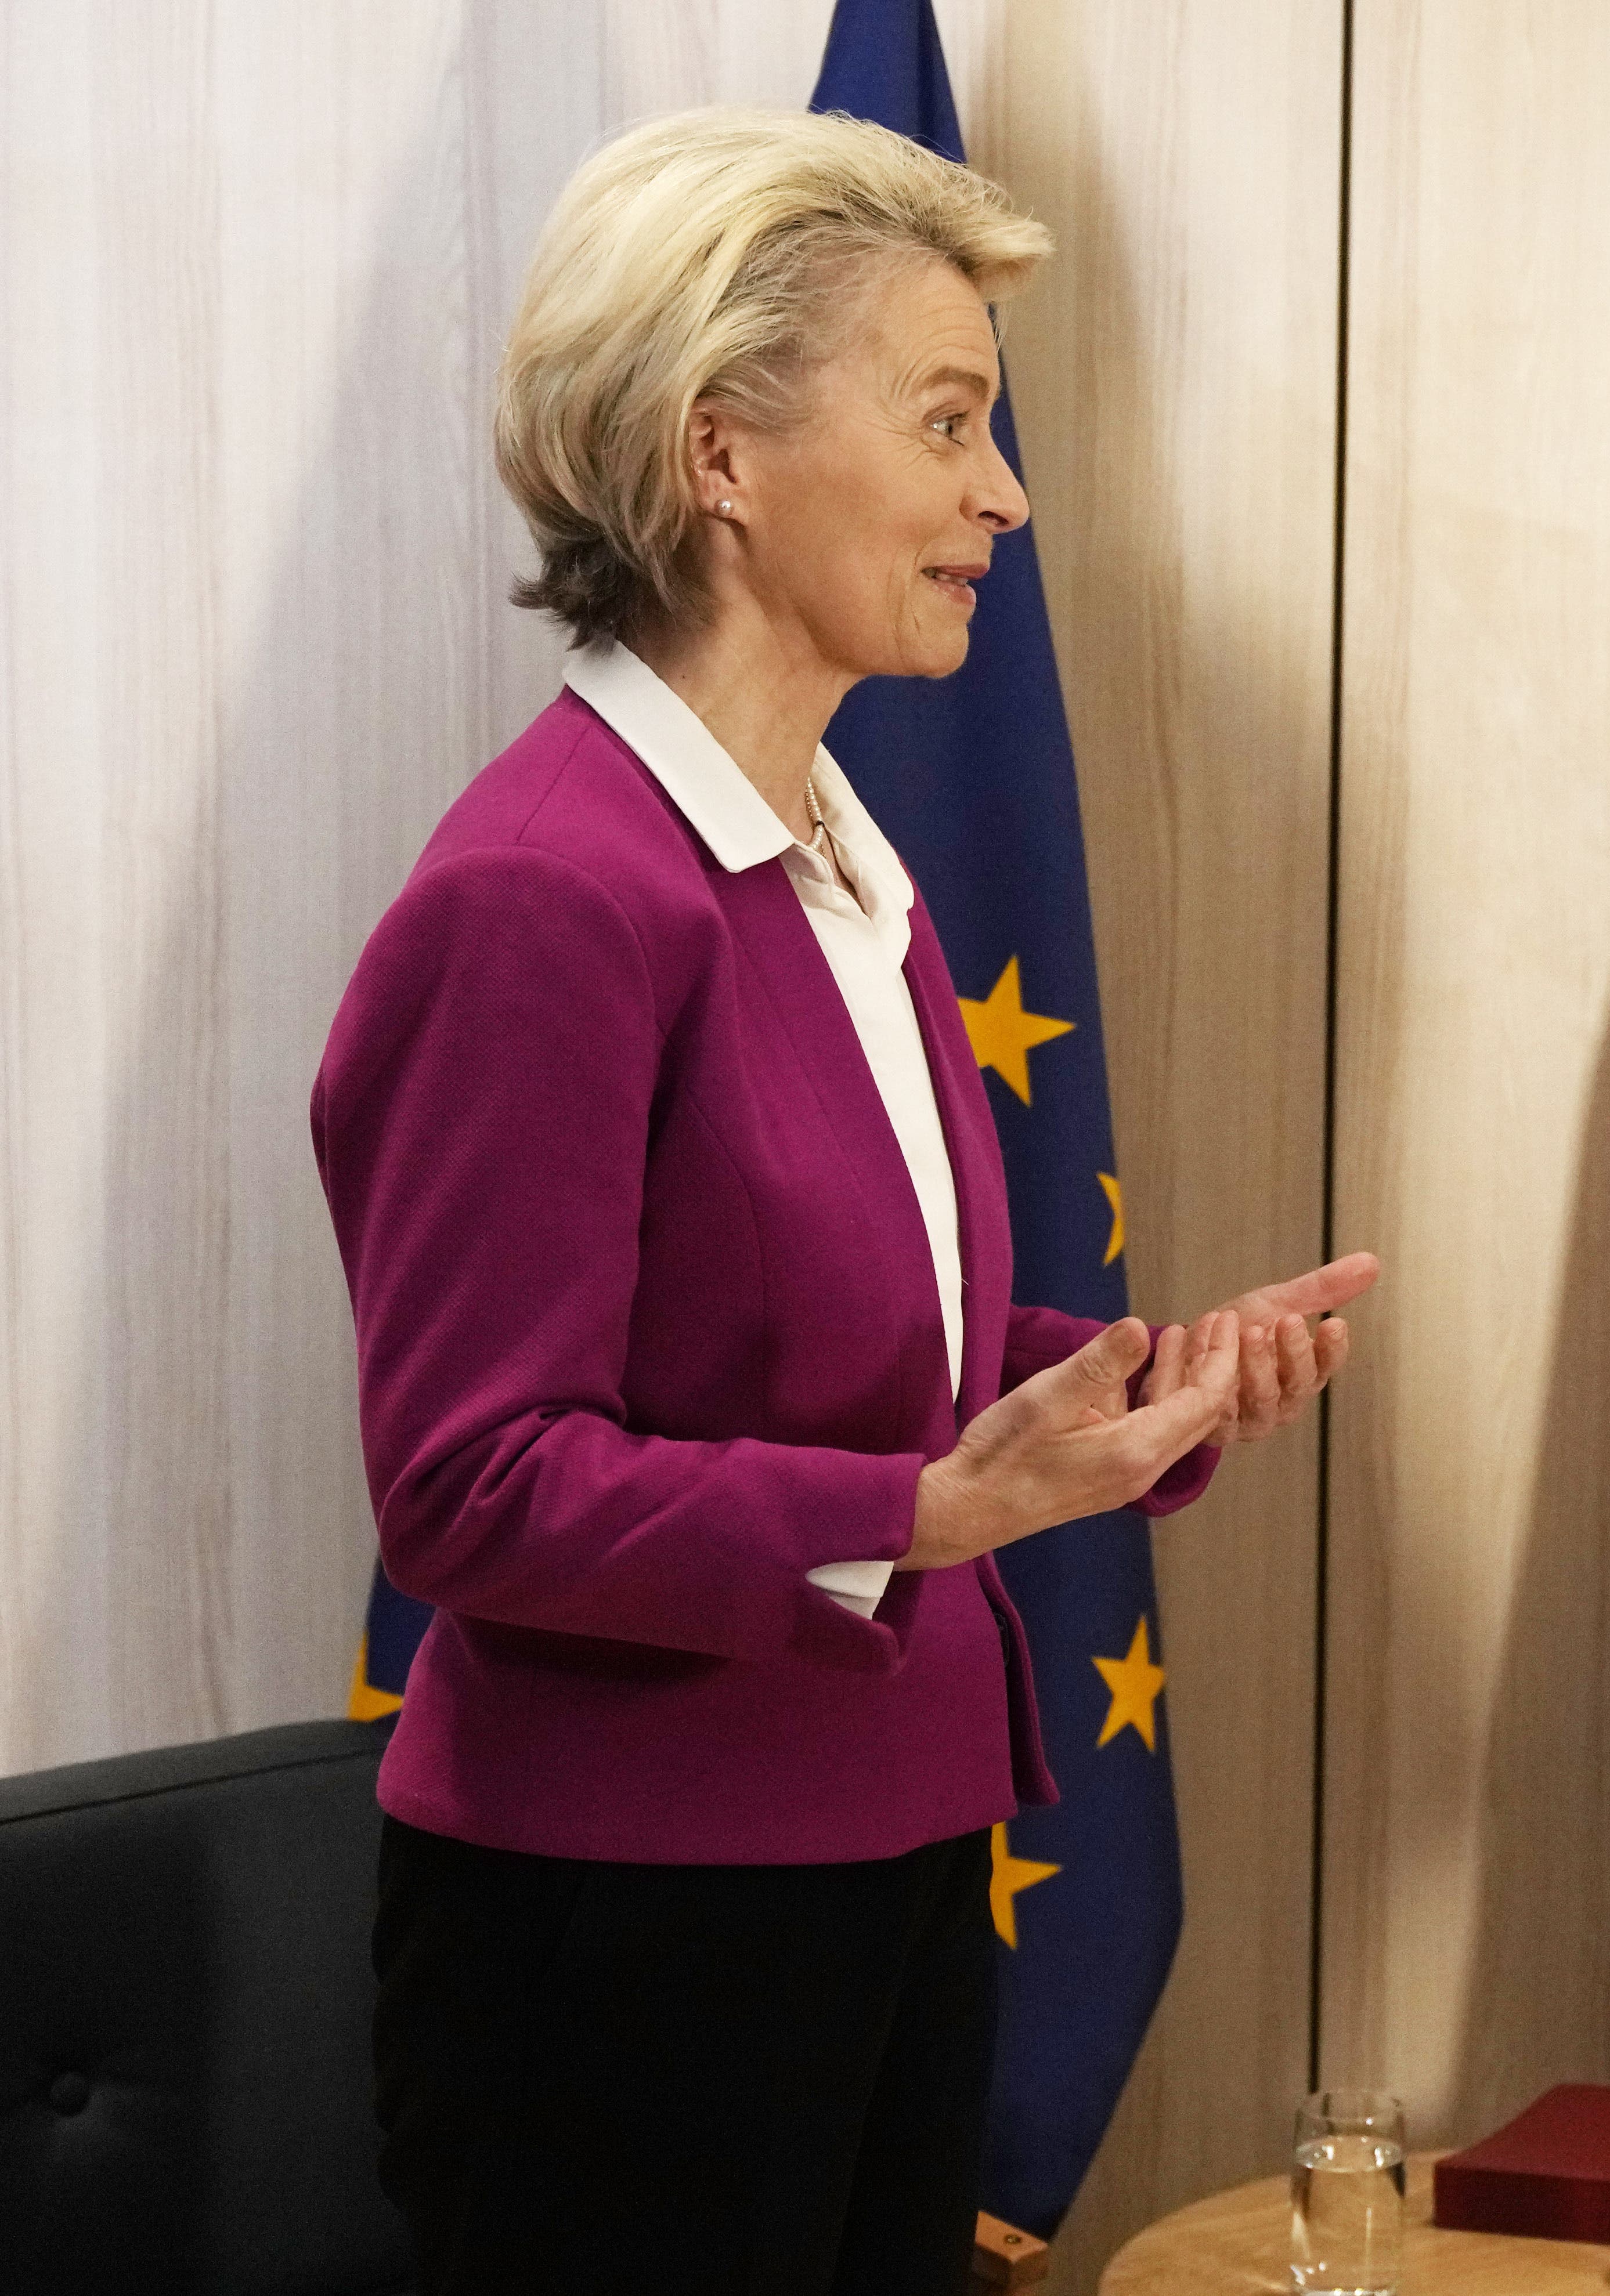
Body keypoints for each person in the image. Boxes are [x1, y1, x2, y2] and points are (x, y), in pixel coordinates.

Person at [311, 107, 1376, 2296]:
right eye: (951, 421)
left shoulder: (836, 867)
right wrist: (925, 1513)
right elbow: (470, 1484)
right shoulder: (544, 895)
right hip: (622, 1927)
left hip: (885, 1848)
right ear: (721, 456)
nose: (1007, 494)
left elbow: (851, 1349)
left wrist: (1126, 1391)